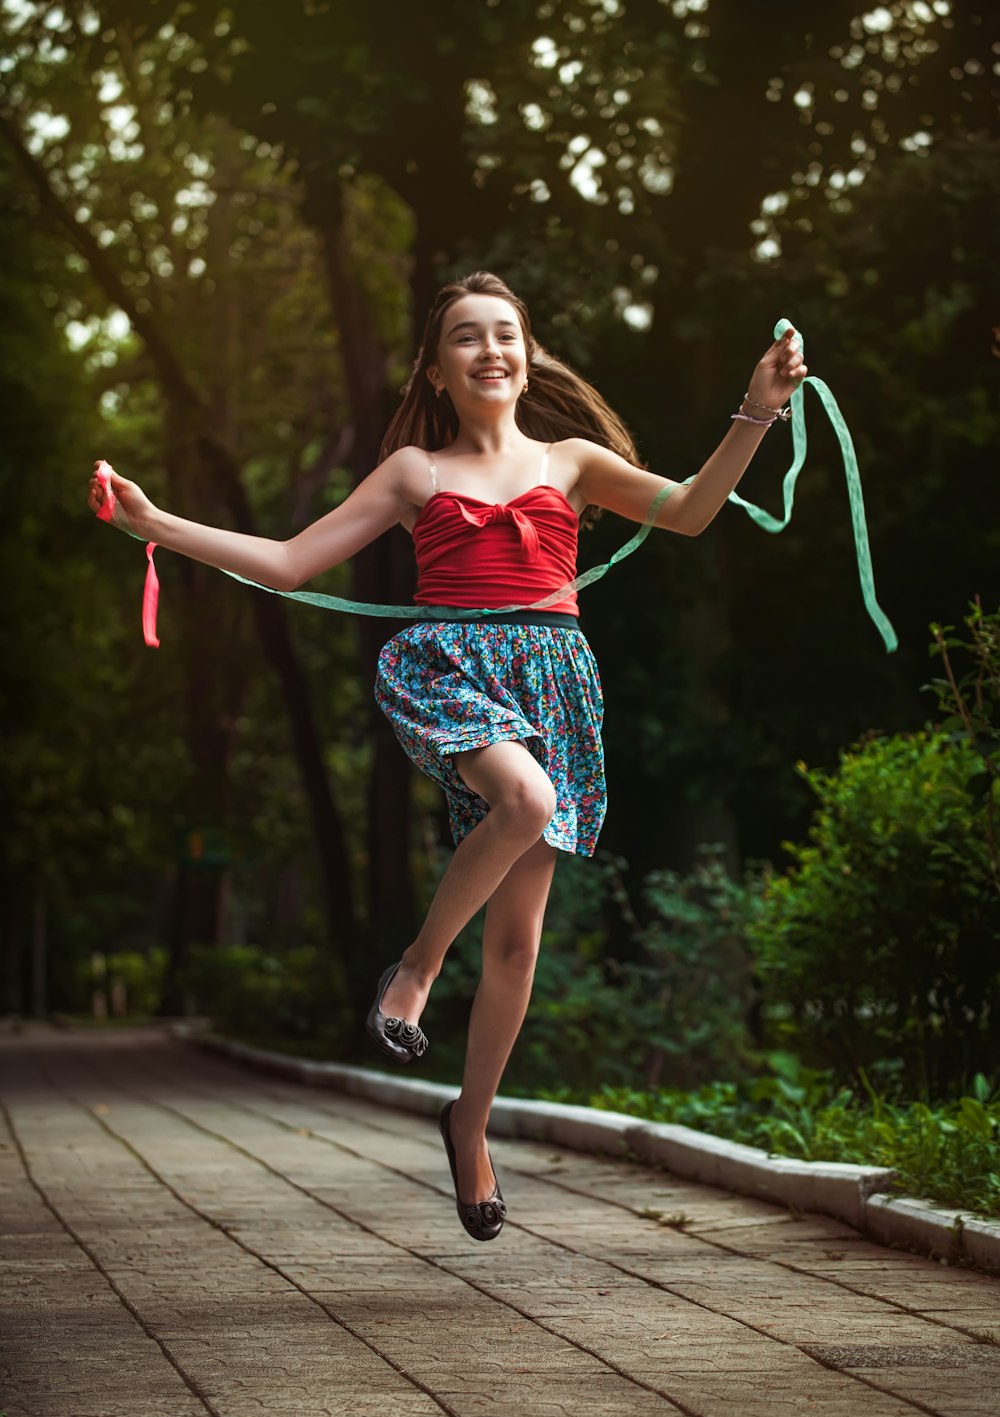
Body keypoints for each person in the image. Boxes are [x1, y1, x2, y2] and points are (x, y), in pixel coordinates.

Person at [88, 270, 806, 1242]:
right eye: (465, 338)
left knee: (518, 945)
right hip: (450, 666)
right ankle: (416, 970)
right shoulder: (412, 474)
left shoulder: (572, 462)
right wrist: (155, 525)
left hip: (552, 680)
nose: (489, 352)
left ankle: (467, 1123)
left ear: (528, 353)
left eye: (504, 334)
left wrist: (754, 415)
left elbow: (686, 509)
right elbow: (292, 560)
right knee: (523, 800)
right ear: (436, 369)